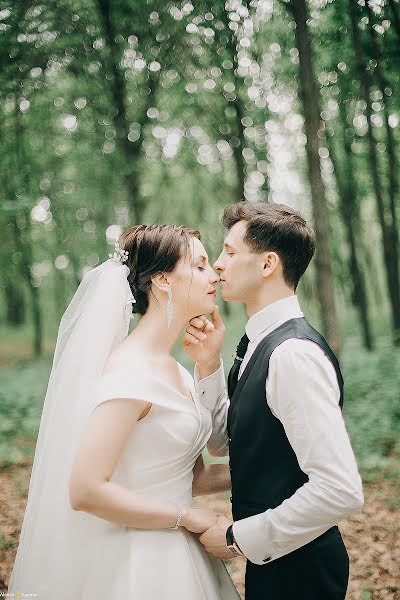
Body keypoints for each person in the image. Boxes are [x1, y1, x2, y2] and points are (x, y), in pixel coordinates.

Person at [8, 224, 241, 600]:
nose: (212, 273)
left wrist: (274, 467)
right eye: (198, 266)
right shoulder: (130, 373)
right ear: (163, 280)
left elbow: (191, 478)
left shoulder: (175, 369)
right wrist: (187, 516)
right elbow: (85, 490)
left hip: (183, 554)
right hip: (141, 561)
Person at [183, 201, 364, 600]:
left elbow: (340, 489)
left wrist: (236, 537)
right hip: (275, 567)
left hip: (302, 574)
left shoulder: (292, 355)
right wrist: (209, 365)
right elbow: (226, 444)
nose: (217, 264)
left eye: (230, 252)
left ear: (267, 264)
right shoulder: (258, 344)